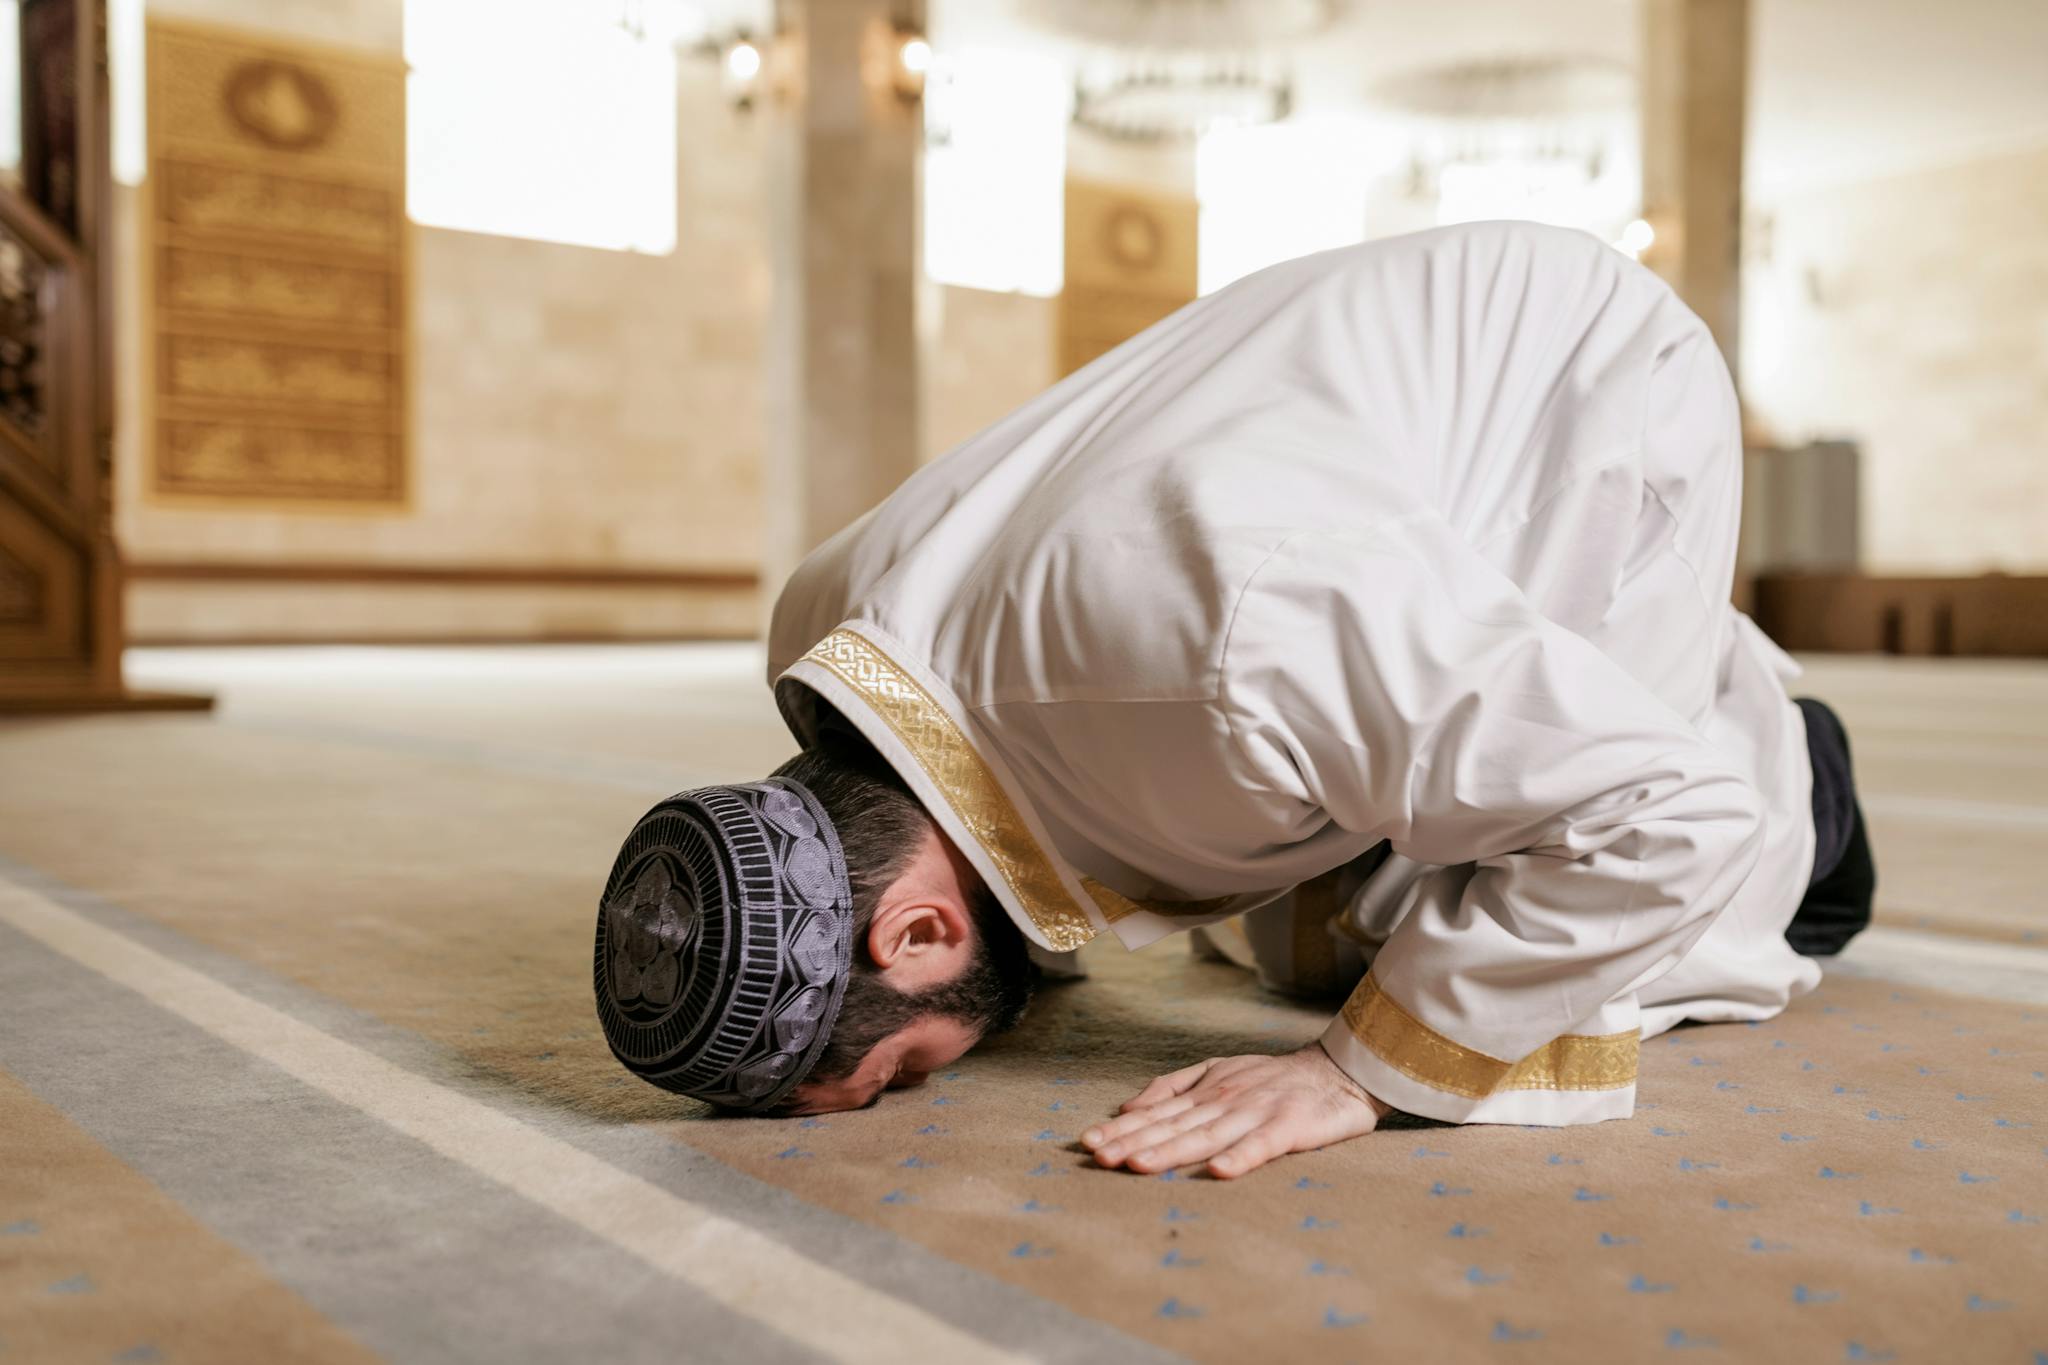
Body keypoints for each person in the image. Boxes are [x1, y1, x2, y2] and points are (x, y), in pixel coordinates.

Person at [592, 221, 1874, 1179]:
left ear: (917, 937)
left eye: (899, 1072)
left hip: (1572, 392)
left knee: (1452, 948)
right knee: (1276, 920)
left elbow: (1664, 815)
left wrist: (1352, 1076)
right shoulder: (818, 626)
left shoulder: (1235, 654)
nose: (929, 1077)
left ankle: (1797, 775)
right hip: (1346, 420)